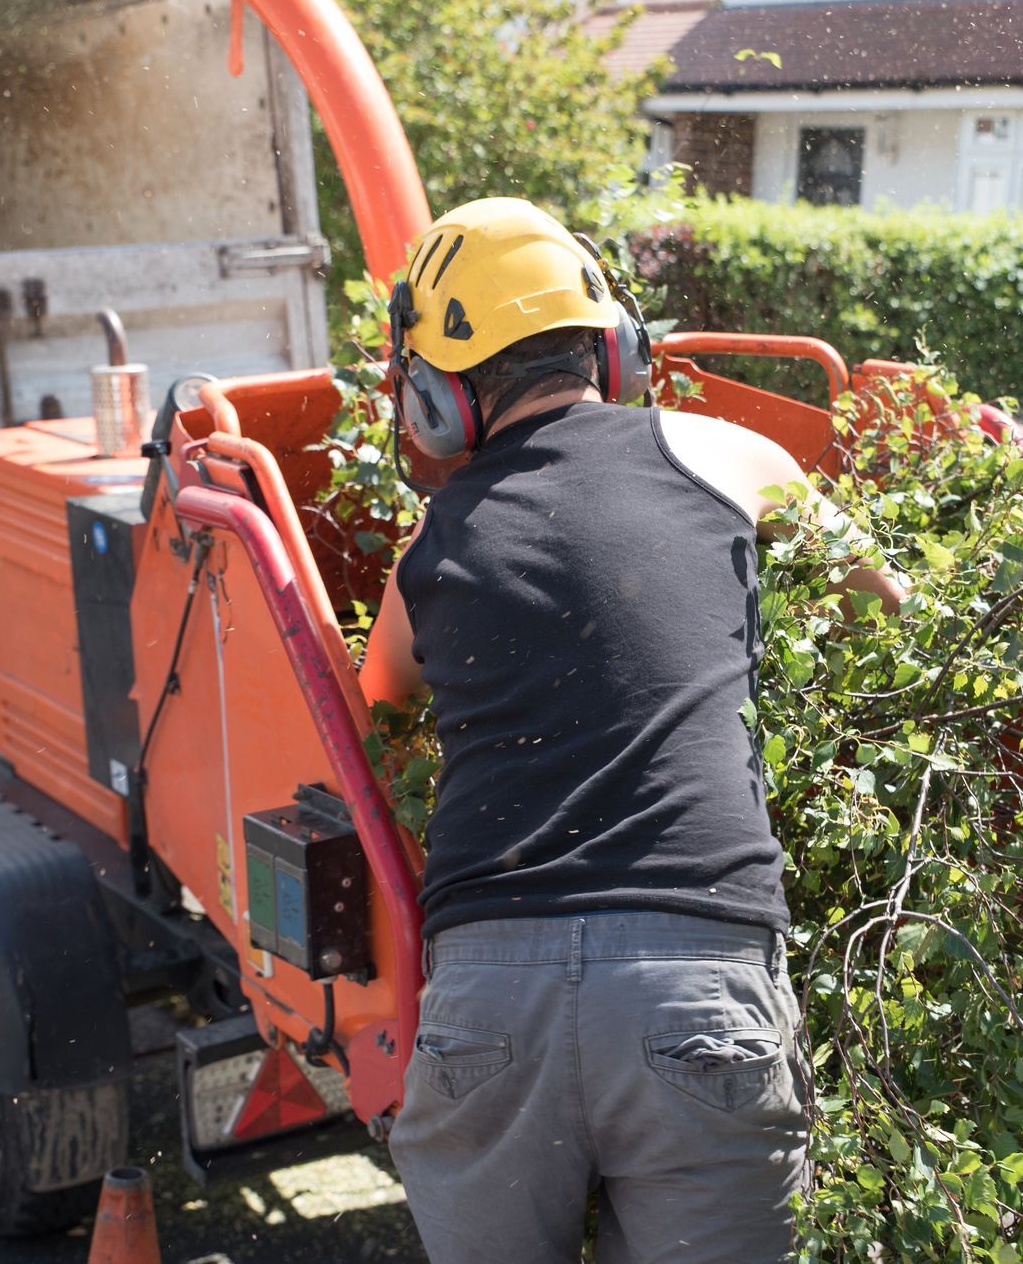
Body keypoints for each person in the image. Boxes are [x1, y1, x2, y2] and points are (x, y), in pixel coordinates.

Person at [358, 197, 904, 1264]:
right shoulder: (726, 457)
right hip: (697, 980)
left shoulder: (428, 546)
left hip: (490, 1005)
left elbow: (380, 707)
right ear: (615, 347)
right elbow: (886, 599)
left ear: (435, 398)